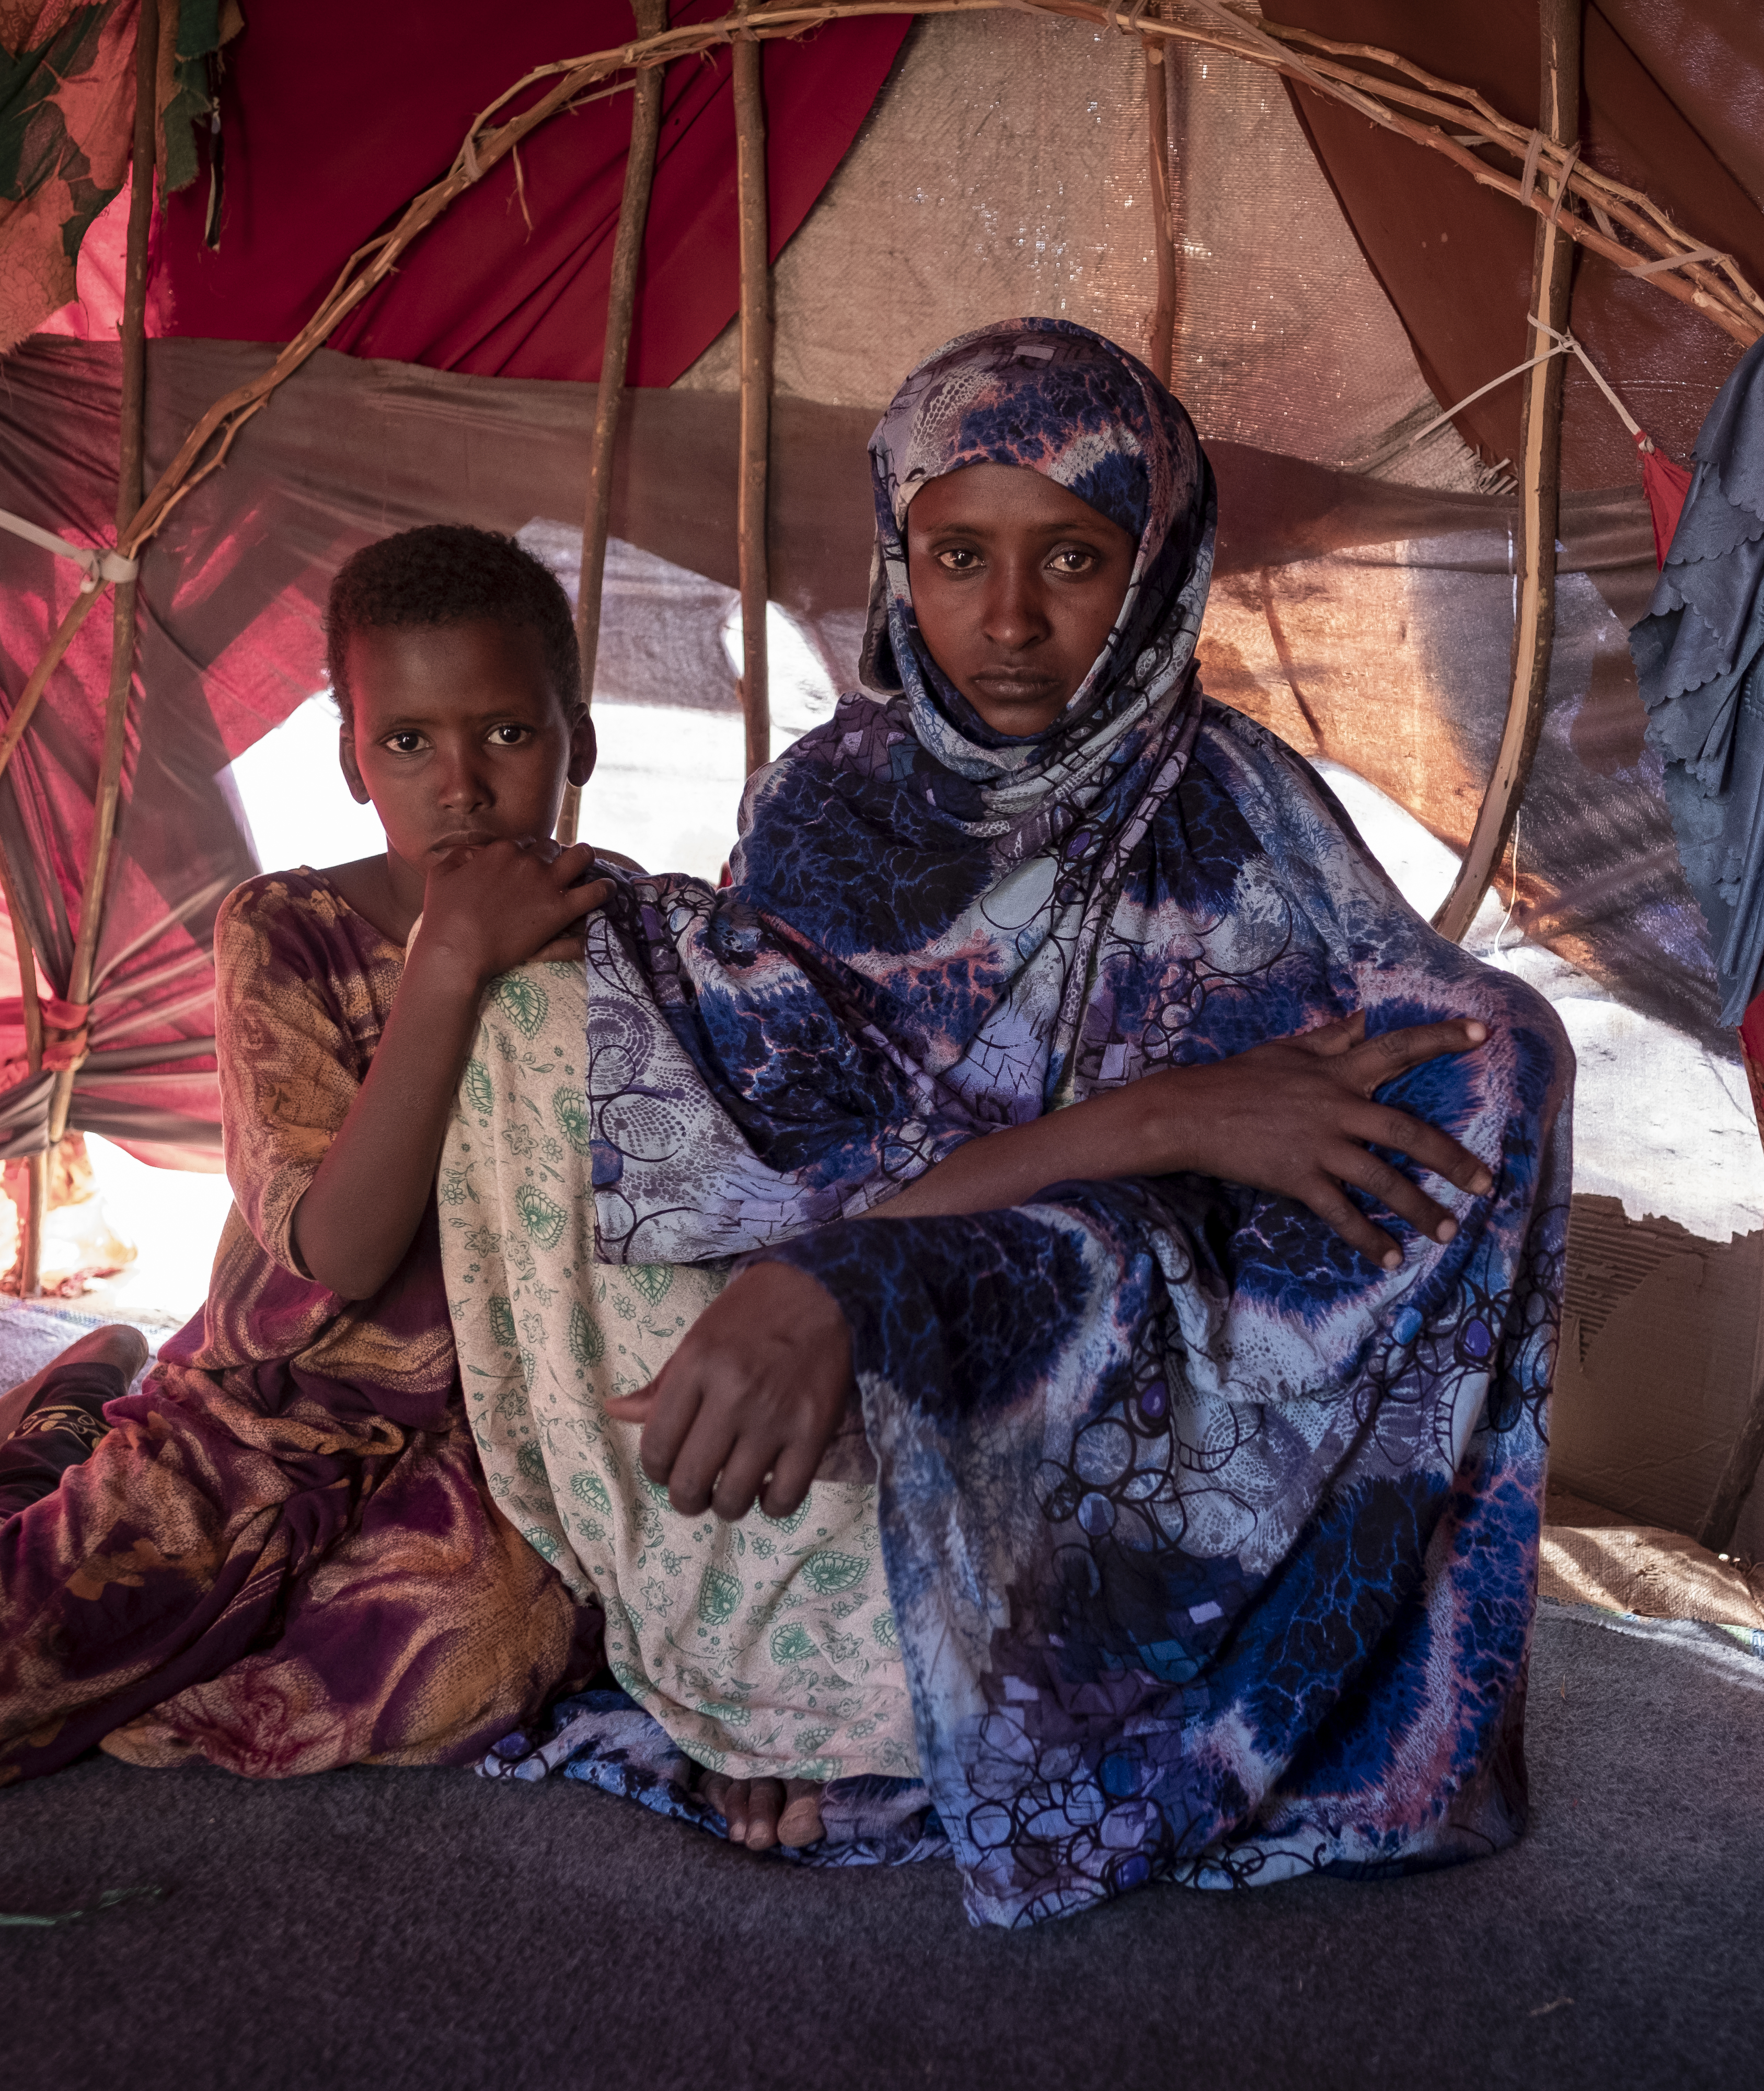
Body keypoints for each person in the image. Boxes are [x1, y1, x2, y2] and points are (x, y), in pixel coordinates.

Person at [457, 318, 1572, 1926]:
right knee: (536, 1031)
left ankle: (882, 1710)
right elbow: (789, 1145)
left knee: (1489, 1071)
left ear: (1163, 568)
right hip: (811, 1383)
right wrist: (1143, 1122)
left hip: (1078, 1408)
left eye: (1075, 557)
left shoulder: (1233, 816)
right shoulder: (828, 806)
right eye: (958, 553)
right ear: (897, 556)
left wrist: (950, 1239)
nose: (1009, 618)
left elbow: (1465, 1056)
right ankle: (744, 1669)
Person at [0, 525, 618, 1786]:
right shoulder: (287, 932)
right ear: (353, 760)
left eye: (508, 735)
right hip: (275, 1410)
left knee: (477, 1658)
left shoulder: (626, 931)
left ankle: (243, 1614)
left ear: (575, 736)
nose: (461, 785)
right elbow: (344, 1251)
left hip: (498, 1425)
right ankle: (67, 1418)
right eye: (407, 742)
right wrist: (448, 958)